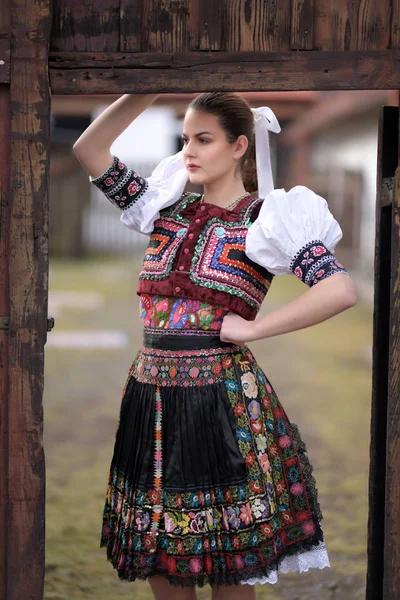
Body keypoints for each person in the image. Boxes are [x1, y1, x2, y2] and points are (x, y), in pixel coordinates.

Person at [73, 92, 357, 600]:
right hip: (151, 395)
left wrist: (252, 330)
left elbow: (340, 289)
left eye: (203, 139)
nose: (189, 151)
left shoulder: (265, 220)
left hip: (222, 404)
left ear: (239, 146)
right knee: (160, 553)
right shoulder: (164, 208)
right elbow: (89, 149)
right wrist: (145, 89)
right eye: (185, 140)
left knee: (229, 560)